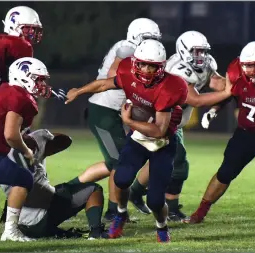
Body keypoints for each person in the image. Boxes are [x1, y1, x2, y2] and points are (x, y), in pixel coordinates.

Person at [65, 39, 188, 242]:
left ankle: (162, 226)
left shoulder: (172, 86)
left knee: (156, 200)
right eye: (143, 64)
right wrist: (78, 91)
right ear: (135, 63)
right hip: (138, 138)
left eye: (152, 66)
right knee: (121, 179)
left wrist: (128, 120)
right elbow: (105, 83)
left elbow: (158, 131)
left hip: (162, 143)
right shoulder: (126, 71)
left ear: (162, 67)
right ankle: (120, 213)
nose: (147, 70)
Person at [185, 41, 255, 225]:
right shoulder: (235, 72)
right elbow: (230, 95)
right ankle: (200, 212)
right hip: (247, 133)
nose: (252, 70)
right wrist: (214, 110)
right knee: (225, 172)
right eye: (248, 65)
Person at [128, 30, 230, 221]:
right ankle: (170, 208)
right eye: (196, 51)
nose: (200, 56)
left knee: (162, 159)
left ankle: (134, 192)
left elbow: (217, 82)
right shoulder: (178, 69)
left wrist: (235, 80)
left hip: (173, 120)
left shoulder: (206, 64)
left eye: (202, 51)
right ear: (184, 50)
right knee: (178, 163)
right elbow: (195, 100)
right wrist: (227, 93)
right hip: (156, 117)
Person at [67, 18, 162, 220]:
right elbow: (113, 75)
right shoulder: (128, 48)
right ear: (136, 36)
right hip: (104, 110)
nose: (151, 43)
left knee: (114, 162)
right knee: (120, 162)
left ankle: (69, 187)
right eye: (148, 38)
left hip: (112, 111)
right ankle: (113, 211)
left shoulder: (133, 49)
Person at [0, 7, 65, 237]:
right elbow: (25, 73)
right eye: (28, 30)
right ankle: (14, 223)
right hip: (9, 111)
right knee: (22, 170)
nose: (32, 36)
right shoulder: (20, 47)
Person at [0, 57, 50, 241]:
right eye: (38, 79)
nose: (41, 84)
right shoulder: (19, 97)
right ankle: (11, 231)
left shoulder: (4, 90)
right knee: (24, 178)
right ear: (24, 77)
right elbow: (10, 135)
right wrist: (27, 151)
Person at [0, 129, 108, 240]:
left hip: (20, 224)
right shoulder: (34, 141)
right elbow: (65, 140)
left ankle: (50, 231)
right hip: (42, 216)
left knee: (62, 189)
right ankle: (95, 232)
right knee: (94, 189)